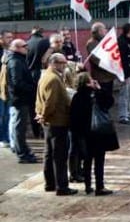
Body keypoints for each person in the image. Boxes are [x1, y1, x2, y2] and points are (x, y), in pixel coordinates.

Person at [69, 72, 118, 196]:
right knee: (99, 161)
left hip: (84, 134)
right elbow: (109, 102)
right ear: (87, 83)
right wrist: (99, 89)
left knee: (87, 161)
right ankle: (99, 186)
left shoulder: (77, 97)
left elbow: (73, 118)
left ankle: (88, 186)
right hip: (97, 133)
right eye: (91, 80)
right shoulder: (95, 95)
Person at [36, 53, 75, 195]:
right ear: (54, 63)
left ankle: (50, 183)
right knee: (59, 155)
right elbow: (50, 102)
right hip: (56, 121)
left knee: (49, 153)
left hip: (48, 121)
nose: (65, 65)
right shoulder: (53, 79)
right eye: (62, 63)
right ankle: (62, 186)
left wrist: (40, 114)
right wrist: (44, 115)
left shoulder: (45, 75)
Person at [7, 39, 38, 163]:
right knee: (19, 128)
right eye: (24, 46)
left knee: (20, 127)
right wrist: (32, 88)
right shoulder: (15, 61)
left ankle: (24, 151)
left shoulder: (19, 59)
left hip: (22, 99)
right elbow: (17, 83)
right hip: (19, 100)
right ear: (16, 47)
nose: (27, 48)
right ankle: (22, 153)